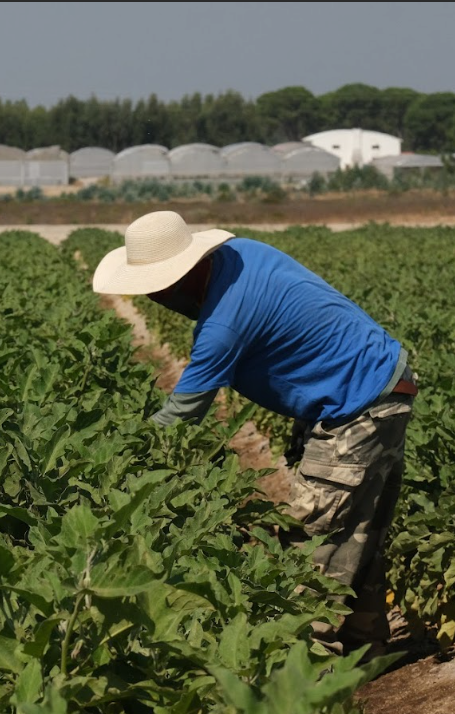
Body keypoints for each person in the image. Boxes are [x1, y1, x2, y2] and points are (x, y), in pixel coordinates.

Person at [91, 210, 417, 660]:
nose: (155, 298)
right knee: (356, 526)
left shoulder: (223, 326)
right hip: (377, 386)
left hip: (357, 404)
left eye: (158, 287)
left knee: (311, 537)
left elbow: (181, 415)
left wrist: (115, 459)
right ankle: (367, 648)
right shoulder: (241, 254)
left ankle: (305, 668)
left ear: (185, 273)